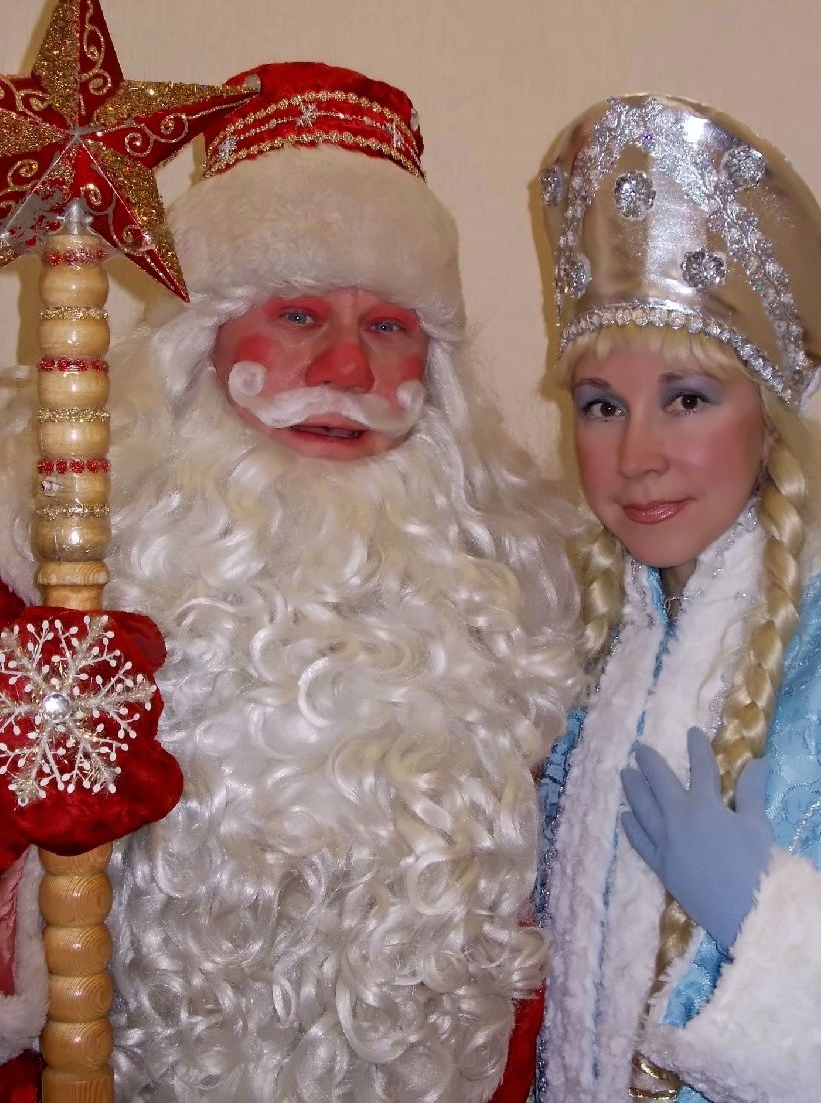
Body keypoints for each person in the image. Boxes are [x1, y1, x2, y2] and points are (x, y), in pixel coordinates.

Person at [0, 62, 581, 1101]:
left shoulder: (516, 615)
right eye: (301, 315)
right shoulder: (59, 596)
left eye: (390, 327)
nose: (349, 371)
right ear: (203, 344)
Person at [530, 94, 821, 1103]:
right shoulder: (570, 672)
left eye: (687, 400)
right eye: (601, 406)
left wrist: (767, 924)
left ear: (768, 421)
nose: (636, 455)